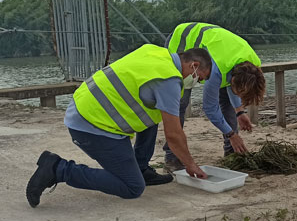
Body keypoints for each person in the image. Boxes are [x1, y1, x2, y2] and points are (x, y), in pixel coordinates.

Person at [25, 44, 212, 208]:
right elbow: (174, 135)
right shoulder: (169, 81)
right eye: (200, 78)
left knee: (155, 113)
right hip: (92, 126)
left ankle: (140, 167)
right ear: (194, 65)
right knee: (132, 187)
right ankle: (58, 169)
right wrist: (190, 165)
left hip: (83, 106)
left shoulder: (155, 52)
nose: (197, 82)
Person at [163, 22, 265, 172]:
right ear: (234, 79)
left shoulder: (252, 66)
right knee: (179, 103)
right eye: (238, 90)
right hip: (182, 40)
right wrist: (231, 134)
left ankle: (231, 153)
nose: (238, 94)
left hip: (217, 48)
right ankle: (172, 157)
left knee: (227, 102)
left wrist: (240, 111)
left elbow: (234, 88)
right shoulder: (216, 70)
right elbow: (210, 108)